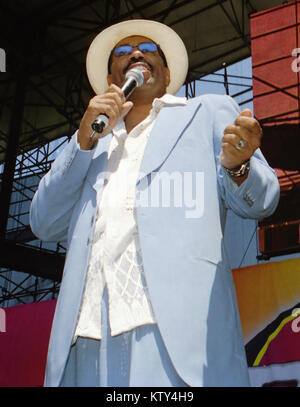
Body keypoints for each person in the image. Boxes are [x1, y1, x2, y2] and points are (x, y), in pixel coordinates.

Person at [30, 19, 280, 387]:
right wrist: (83, 142)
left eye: (148, 49)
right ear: (110, 80)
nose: (134, 53)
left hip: (173, 337)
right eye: (121, 52)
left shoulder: (206, 113)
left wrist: (239, 165)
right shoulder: (90, 140)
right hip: (85, 339)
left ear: (165, 72)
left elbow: (262, 201)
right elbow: (43, 222)